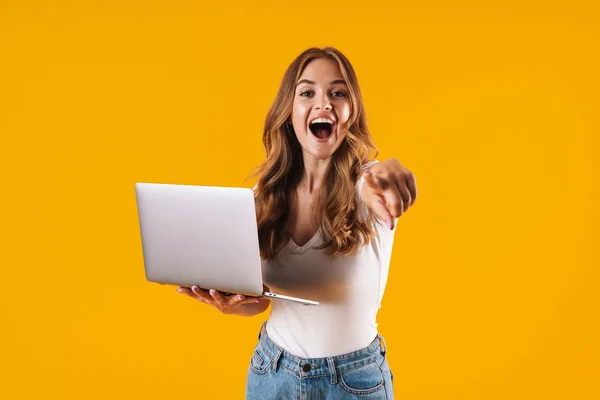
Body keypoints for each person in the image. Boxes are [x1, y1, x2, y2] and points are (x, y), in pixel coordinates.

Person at [177, 47, 417, 399]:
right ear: (289, 113)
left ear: (352, 112)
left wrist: (391, 175)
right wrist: (232, 303)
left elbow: (382, 178)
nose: (324, 104)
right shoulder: (266, 195)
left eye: (338, 93)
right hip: (273, 373)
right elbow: (263, 300)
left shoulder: (368, 184)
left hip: (353, 383)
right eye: (307, 93)